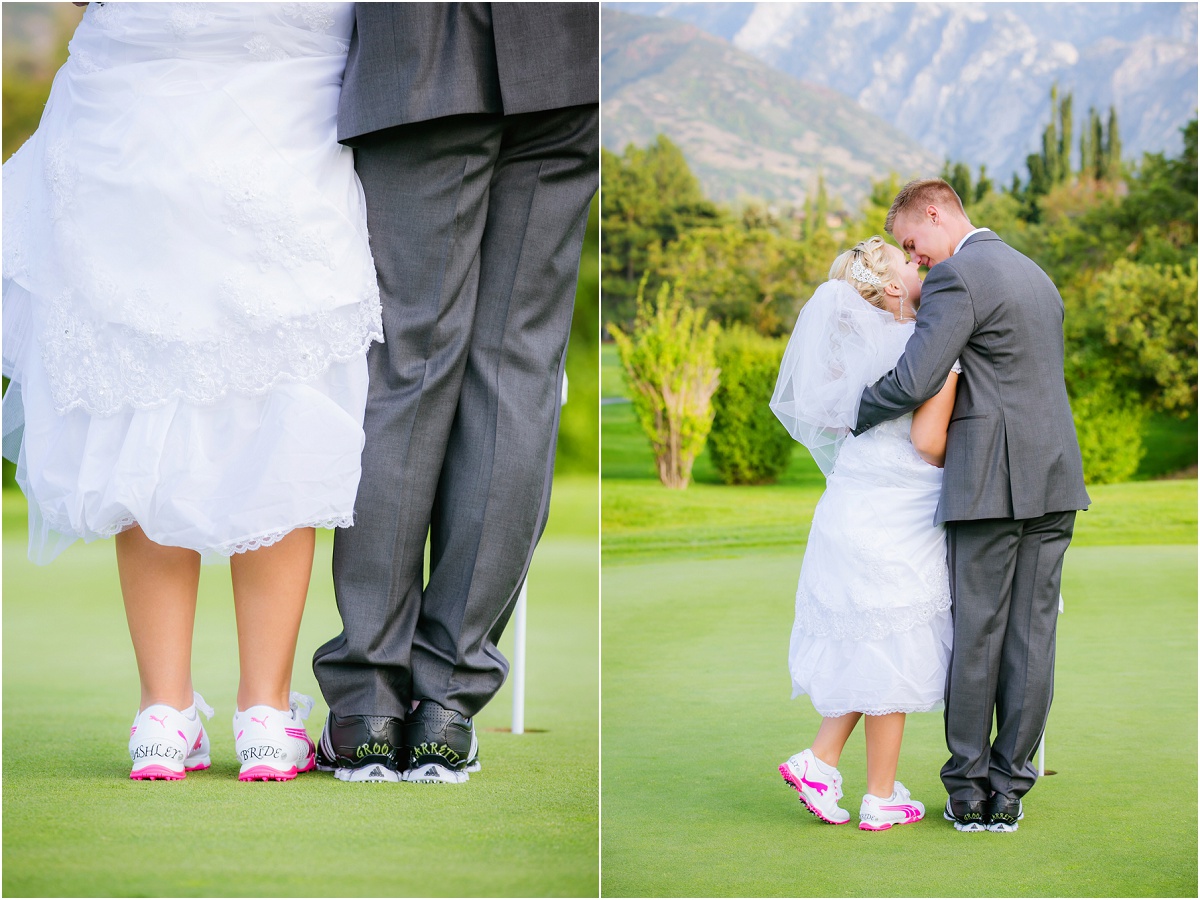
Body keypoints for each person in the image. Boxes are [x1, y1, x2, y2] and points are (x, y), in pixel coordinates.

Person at [2, 2, 383, 782]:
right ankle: (267, 718)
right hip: (285, 76)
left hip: (137, 81)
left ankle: (163, 716)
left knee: (144, 376)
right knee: (281, 382)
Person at [310, 3, 599, 784]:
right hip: (569, 57)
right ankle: (446, 708)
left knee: (411, 361)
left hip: (422, 60)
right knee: (516, 369)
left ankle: (368, 706)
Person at [855, 179, 1090, 832]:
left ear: (935, 213)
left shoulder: (959, 276)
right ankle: (1010, 792)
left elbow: (914, 379)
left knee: (978, 635)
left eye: (912, 243)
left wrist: (847, 411)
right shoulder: (1036, 274)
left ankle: (967, 790)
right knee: (1032, 637)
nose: (916, 257)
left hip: (990, 481)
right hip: (1055, 479)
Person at [771, 236, 959, 830]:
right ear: (897, 286)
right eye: (911, 261)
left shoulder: (848, 349)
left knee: (868, 636)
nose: (920, 264)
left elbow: (839, 420)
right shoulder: (929, 348)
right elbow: (929, 444)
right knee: (891, 643)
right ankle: (880, 797)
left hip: (849, 503)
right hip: (901, 507)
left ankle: (822, 761)